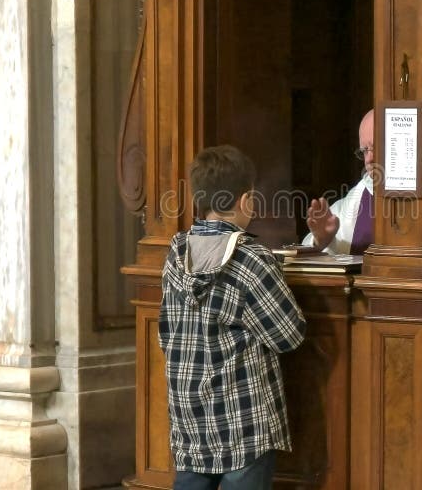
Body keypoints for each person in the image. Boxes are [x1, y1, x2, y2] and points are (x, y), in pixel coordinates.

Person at [159, 145, 306, 490]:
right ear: (244, 201)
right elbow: (290, 334)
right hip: (243, 417)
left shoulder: (176, 253)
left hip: (189, 412)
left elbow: (165, 335)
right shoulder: (251, 260)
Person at [303, 109, 375, 254]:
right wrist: (322, 240)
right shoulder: (353, 202)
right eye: (365, 151)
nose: (369, 159)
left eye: (376, 147)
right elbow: (310, 245)